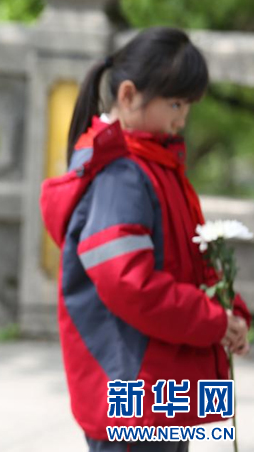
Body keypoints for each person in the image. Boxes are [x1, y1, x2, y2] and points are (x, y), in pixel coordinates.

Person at [40, 27, 251, 452]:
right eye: (175, 103)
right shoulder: (123, 176)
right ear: (129, 96)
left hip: (159, 386)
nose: (182, 118)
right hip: (134, 387)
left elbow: (192, 259)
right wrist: (212, 319)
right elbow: (128, 284)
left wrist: (231, 312)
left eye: (187, 105)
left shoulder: (157, 166)